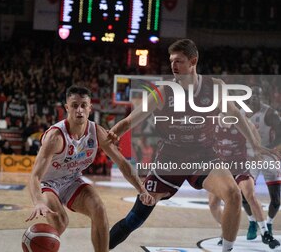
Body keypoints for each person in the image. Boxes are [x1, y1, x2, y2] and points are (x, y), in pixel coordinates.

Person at [108, 39, 270, 252]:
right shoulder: (163, 92)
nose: (173, 66)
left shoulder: (214, 87)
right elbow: (130, 120)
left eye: (179, 61)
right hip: (170, 160)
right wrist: (112, 134)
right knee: (135, 219)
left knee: (233, 194)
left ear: (193, 61)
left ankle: (227, 250)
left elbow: (236, 115)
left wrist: (255, 144)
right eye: (171, 61)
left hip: (204, 157)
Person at [26, 85, 154, 252]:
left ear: (90, 108)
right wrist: (37, 202)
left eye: (83, 105)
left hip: (72, 180)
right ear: (67, 107)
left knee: (99, 209)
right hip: (48, 183)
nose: (79, 110)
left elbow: (122, 163)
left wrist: (142, 189)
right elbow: (34, 177)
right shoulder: (55, 137)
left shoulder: (96, 132)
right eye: (74, 105)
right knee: (60, 221)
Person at [208, 115, 280, 249]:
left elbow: (254, 135)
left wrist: (257, 151)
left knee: (250, 195)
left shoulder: (242, 121)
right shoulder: (211, 121)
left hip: (240, 164)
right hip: (220, 166)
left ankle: (266, 234)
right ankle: (226, 229)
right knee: (213, 204)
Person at [242, 85, 281, 239]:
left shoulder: (270, 113)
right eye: (252, 97)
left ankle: (269, 223)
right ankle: (252, 222)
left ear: (262, 97)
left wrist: (269, 149)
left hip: (267, 156)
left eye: (257, 96)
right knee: (245, 195)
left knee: (276, 199)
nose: (254, 99)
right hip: (249, 157)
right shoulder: (241, 113)